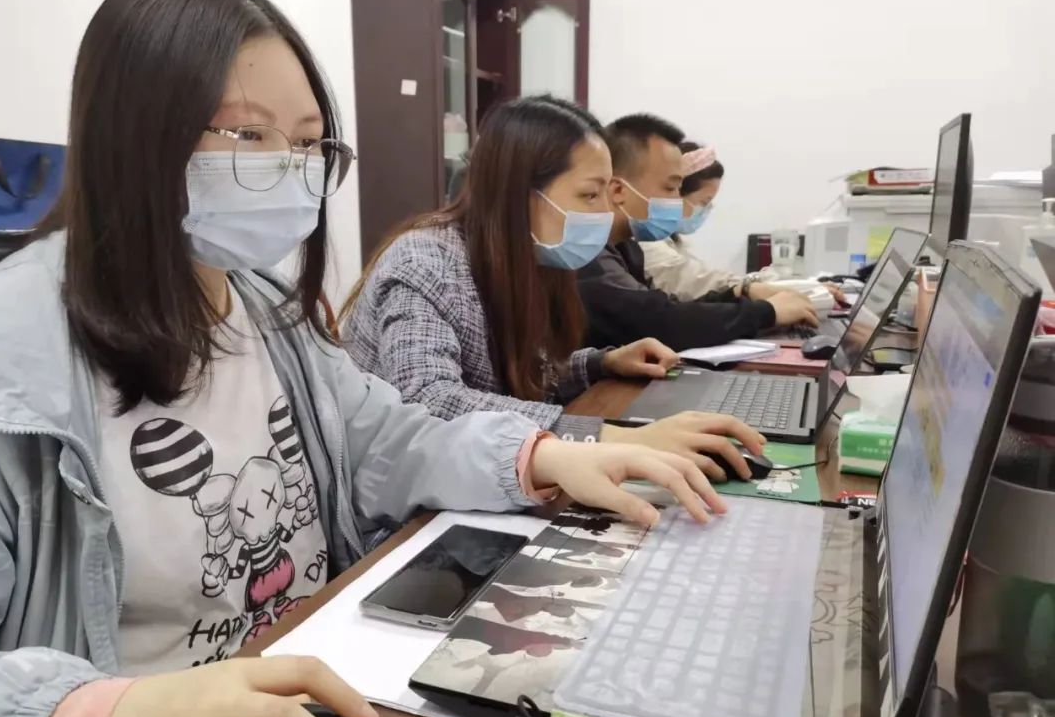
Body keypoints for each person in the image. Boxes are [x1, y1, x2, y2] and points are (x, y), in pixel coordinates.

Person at [0, 0, 729, 717]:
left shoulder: (263, 306)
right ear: (133, 137)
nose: (292, 166)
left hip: (327, 679)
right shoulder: (3, 356)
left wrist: (545, 456)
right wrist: (99, 711)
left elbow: (391, 438)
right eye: (250, 135)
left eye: (308, 142)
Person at [340, 95, 763, 480]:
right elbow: (429, 400)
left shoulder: (530, 255)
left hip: (488, 475)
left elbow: (519, 373)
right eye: (590, 195)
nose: (607, 211)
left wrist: (599, 364)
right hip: (400, 499)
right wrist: (605, 436)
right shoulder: (424, 262)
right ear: (520, 193)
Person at [577, 114, 818, 350]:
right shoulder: (586, 254)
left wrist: (741, 292)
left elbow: (668, 306)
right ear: (618, 190)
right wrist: (767, 312)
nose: (677, 201)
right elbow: (658, 321)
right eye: (670, 188)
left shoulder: (625, 247)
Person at [641, 140, 847, 303]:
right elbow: (695, 282)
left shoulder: (673, 241)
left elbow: (708, 278)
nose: (707, 210)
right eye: (704, 202)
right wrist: (768, 288)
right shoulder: (645, 241)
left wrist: (794, 285)